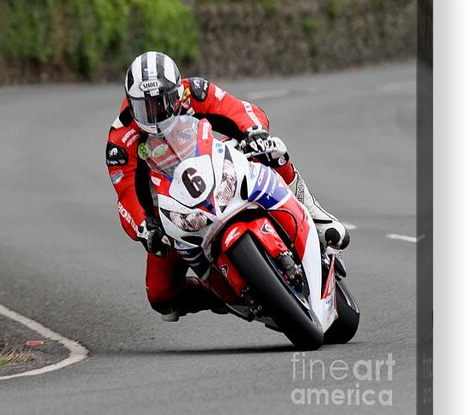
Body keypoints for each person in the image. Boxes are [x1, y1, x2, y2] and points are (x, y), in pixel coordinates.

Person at [105, 51, 349, 321]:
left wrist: (254, 131)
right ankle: (221, 295)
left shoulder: (194, 91)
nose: (155, 114)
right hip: (173, 211)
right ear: (130, 103)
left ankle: (314, 213)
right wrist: (144, 229)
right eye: (145, 107)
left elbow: (239, 110)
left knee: (271, 151)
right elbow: (126, 195)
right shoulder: (120, 140)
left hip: (219, 168)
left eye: (162, 103)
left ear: (176, 93)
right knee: (160, 295)